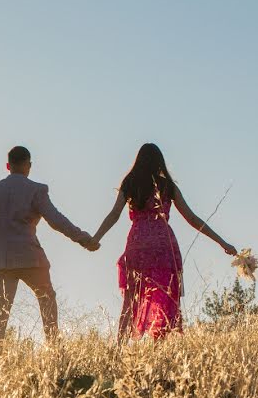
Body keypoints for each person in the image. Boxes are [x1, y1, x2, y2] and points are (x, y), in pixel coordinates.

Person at [90, 143, 237, 341]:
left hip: (137, 245)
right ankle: (159, 347)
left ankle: (120, 346)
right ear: (160, 162)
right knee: (165, 297)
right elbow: (192, 219)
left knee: (131, 299)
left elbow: (114, 214)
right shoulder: (167, 186)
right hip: (164, 247)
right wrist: (222, 242)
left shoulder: (130, 182)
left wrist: (96, 238)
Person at [0, 146, 97, 342]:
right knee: (47, 300)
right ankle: (53, 346)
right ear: (29, 165)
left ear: (8, 165)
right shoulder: (36, 190)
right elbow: (56, 220)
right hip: (31, 259)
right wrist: (83, 238)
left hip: (0, 262)